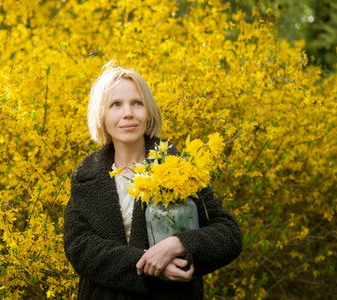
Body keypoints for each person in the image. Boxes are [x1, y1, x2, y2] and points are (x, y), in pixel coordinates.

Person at [63, 62, 242, 299]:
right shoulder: (87, 176)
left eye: (137, 103)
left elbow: (228, 233)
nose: (128, 112)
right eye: (116, 104)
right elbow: (79, 247)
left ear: (148, 112)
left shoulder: (178, 167)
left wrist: (178, 245)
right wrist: (150, 265)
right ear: (102, 115)